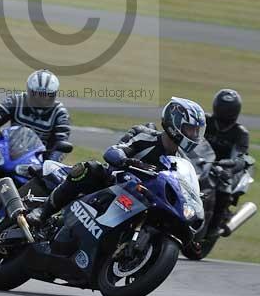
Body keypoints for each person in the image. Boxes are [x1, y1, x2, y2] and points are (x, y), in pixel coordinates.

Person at [29, 96, 206, 225]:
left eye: (196, 131)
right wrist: (128, 161)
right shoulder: (146, 137)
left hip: (144, 200)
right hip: (113, 184)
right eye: (190, 130)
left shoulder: (181, 161)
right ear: (174, 124)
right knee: (89, 169)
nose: (194, 136)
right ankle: (43, 212)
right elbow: (114, 151)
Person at [0, 70, 71, 200]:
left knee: (51, 184)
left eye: (47, 95)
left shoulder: (60, 113)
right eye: (37, 94)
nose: (41, 99)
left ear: (54, 95)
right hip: (10, 147)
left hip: (37, 158)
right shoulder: (16, 100)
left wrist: (48, 164)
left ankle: (36, 209)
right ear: (29, 91)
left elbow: (62, 140)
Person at [204, 88, 250, 233]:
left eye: (228, 109)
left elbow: (240, 154)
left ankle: (214, 226)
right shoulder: (205, 121)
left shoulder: (240, 133)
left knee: (224, 190)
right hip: (199, 162)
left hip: (224, 168)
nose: (224, 112)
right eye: (222, 108)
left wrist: (232, 164)